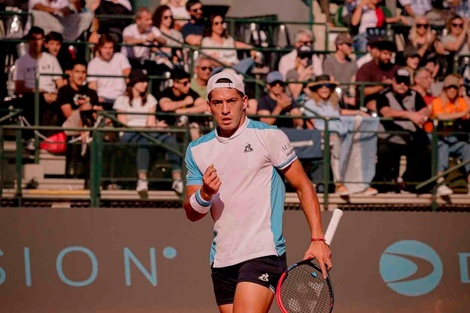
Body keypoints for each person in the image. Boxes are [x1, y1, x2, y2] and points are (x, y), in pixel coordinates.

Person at [183, 71, 332, 313]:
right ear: (208, 106)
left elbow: (303, 185)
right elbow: (192, 213)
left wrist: (317, 239)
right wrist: (205, 193)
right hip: (222, 257)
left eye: (231, 101)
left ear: (245, 102)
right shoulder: (197, 150)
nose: (225, 109)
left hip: (263, 251)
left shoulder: (269, 136)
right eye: (218, 103)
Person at [303, 75, 377, 196]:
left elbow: (340, 113)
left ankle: (361, 184)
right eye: (320, 86)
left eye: (327, 85)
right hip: (324, 137)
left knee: (358, 144)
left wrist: (359, 112)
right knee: (338, 147)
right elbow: (312, 125)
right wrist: (325, 135)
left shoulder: (332, 103)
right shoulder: (310, 104)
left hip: (339, 134)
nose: (324, 88)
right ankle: (340, 184)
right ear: (316, 88)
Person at [113, 69, 184, 196]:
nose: (145, 84)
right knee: (144, 142)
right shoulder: (121, 100)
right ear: (133, 83)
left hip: (147, 131)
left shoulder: (150, 99)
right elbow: (124, 124)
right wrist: (150, 127)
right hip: (129, 134)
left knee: (170, 140)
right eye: (142, 81)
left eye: (146, 81)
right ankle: (142, 179)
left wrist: (156, 126)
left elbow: (150, 122)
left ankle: (177, 178)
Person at [374, 68, 431, 193]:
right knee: (384, 151)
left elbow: (425, 109)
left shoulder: (415, 94)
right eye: (399, 82)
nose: (402, 85)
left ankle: (407, 182)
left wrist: (422, 114)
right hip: (389, 138)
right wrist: (410, 115)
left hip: (409, 138)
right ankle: (387, 184)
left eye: (405, 82)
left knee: (426, 149)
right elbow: (386, 112)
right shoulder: (384, 94)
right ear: (393, 81)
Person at [14, 26, 65, 141]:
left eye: (39, 39)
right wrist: (40, 91)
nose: (36, 42)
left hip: (51, 95)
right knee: (33, 101)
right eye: (33, 39)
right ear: (29, 41)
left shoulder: (51, 60)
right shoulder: (21, 62)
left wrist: (54, 94)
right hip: (32, 95)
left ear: (43, 41)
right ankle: (31, 139)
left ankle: (52, 140)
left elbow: (60, 84)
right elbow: (19, 88)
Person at [430, 74, 470, 196]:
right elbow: (440, 116)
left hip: (454, 139)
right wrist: (460, 114)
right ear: (445, 89)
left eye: (455, 88)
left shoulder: (461, 102)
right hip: (439, 138)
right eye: (449, 88)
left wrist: (464, 95)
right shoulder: (437, 101)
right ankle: (440, 182)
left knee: (467, 148)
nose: (452, 90)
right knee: (443, 147)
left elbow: (468, 112)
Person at [158, 69, 208, 139]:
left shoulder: (190, 92)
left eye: (189, 82)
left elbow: (205, 106)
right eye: (185, 83)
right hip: (168, 129)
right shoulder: (167, 92)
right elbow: (165, 106)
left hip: (187, 129)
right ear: (175, 83)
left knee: (194, 128)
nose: (188, 85)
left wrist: (183, 111)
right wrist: (185, 102)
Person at [87, 34, 131, 109]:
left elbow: (127, 71)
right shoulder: (93, 64)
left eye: (110, 48)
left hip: (121, 97)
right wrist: (96, 98)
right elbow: (92, 86)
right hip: (103, 98)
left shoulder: (120, 57)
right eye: (105, 48)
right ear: (100, 48)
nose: (108, 51)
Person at [356, 39, 399, 112]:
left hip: (393, 99)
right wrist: (382, 86)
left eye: (390, 54)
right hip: (372, 100)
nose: (388, 57)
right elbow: (362, 91)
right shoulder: (366, 68)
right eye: (385, 54)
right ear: (377, 53)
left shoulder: (395, 68)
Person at [26, 0, 94, 42]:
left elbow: (66, 10)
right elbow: (37, 6)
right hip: (34, 36)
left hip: (57, 36)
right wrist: (56, 10)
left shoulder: (61, 1)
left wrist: (66, 10)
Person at [57, 59, 99, 126]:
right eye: (77, 72)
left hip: (89, 126)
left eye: (83, 72)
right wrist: (82, 109)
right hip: (70, 127)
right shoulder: (64, 91)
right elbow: (68, 114)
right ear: (71, 73)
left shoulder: (92, 93)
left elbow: (96, 113)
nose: (80, 76)